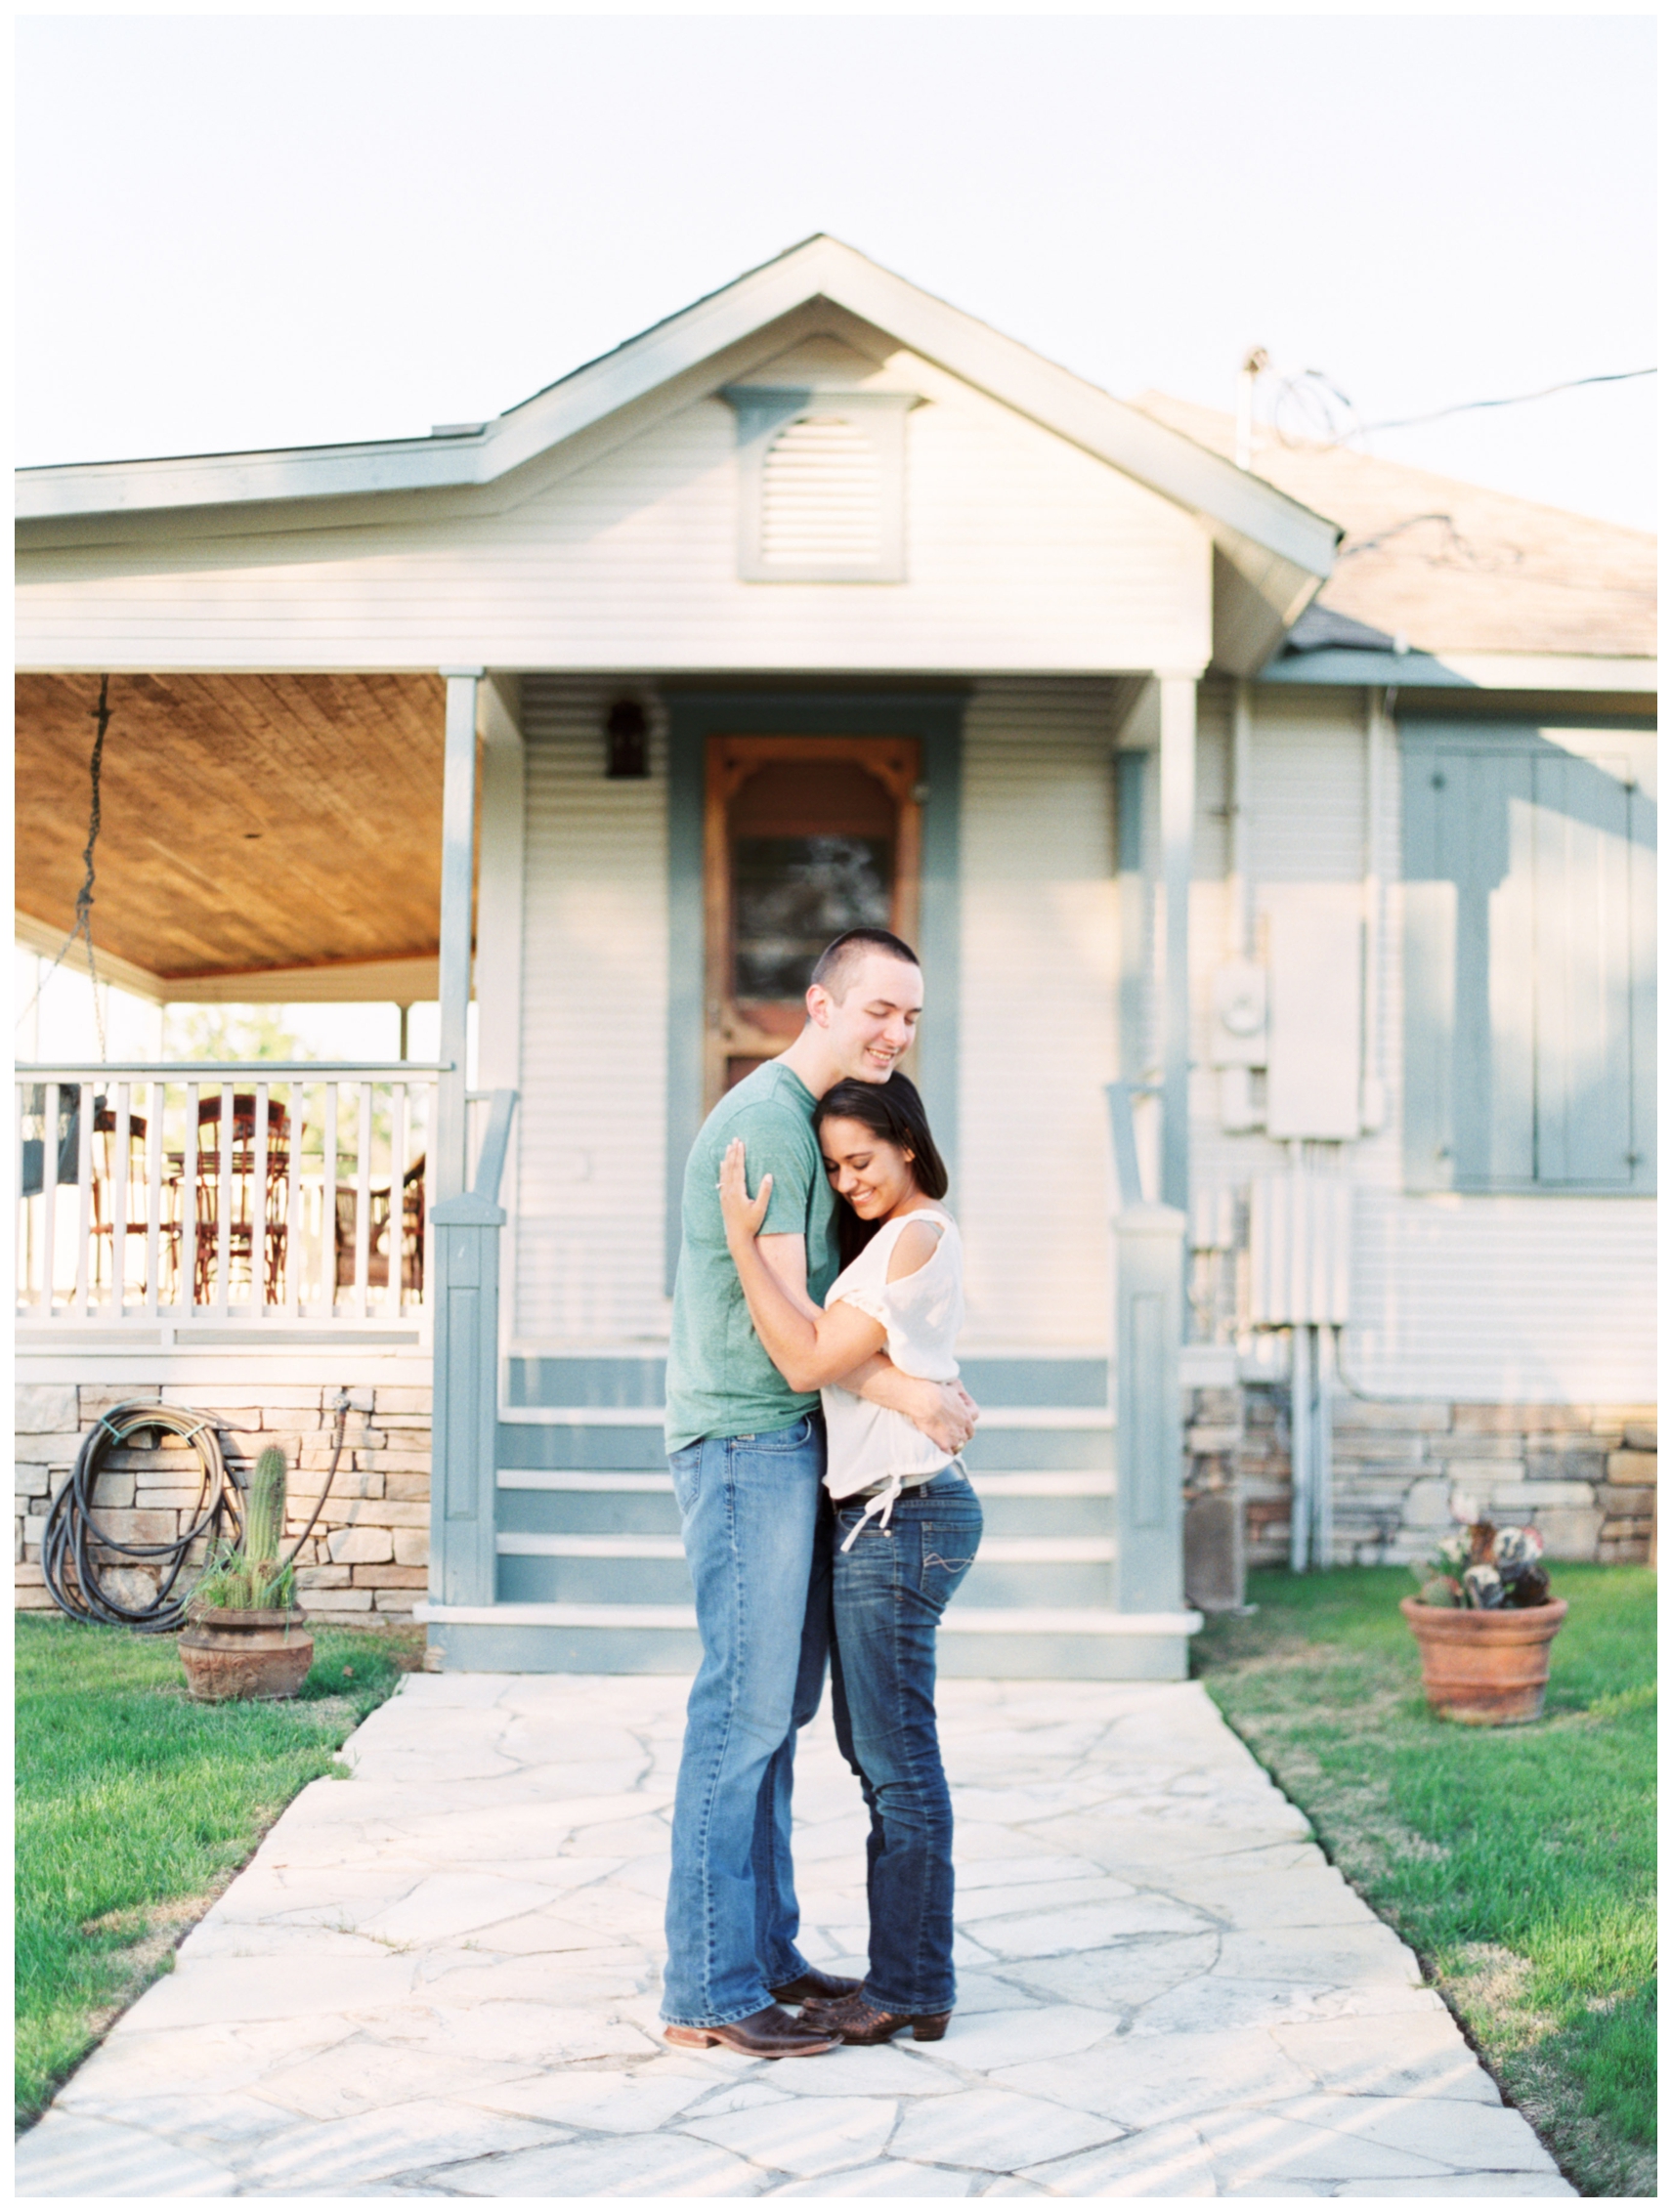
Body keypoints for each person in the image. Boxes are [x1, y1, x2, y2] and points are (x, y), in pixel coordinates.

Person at [660, 928, 979, 2061]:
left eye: (910, 1017)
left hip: (788, 1445)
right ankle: (706, 1986)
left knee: (775, 1718)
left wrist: (904, 1380)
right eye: (876, 1009)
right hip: (747, 1441)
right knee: (741, 1715)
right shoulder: (766, 1125)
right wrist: (913, 1388)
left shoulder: (810, 1126)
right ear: (819, 1002)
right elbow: (792, 1336)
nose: (893, 1032)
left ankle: (765, 1955)